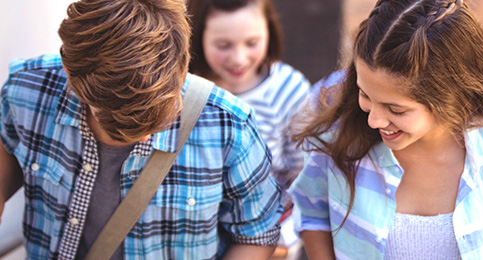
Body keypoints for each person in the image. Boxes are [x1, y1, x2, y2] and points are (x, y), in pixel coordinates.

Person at [0, 0, 282, 259]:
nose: (145, 137)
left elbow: (256, 234)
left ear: (182, 67)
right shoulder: (26, 89)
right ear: (68, 72)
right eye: (116, 123)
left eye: (157, 118)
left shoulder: (229, 125)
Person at [287, 0, 483, 259]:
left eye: (396, 110)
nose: (374, 120)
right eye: (365, 94)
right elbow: (314, 212)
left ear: (449, 96)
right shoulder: (336, 137)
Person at [187, 0, 310, 189]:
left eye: (252, 43)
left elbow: (302, 172)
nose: (238, 58)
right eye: (223, 45)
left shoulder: (288, 88)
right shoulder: (183, 89)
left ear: (269, 30)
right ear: (197, 35)